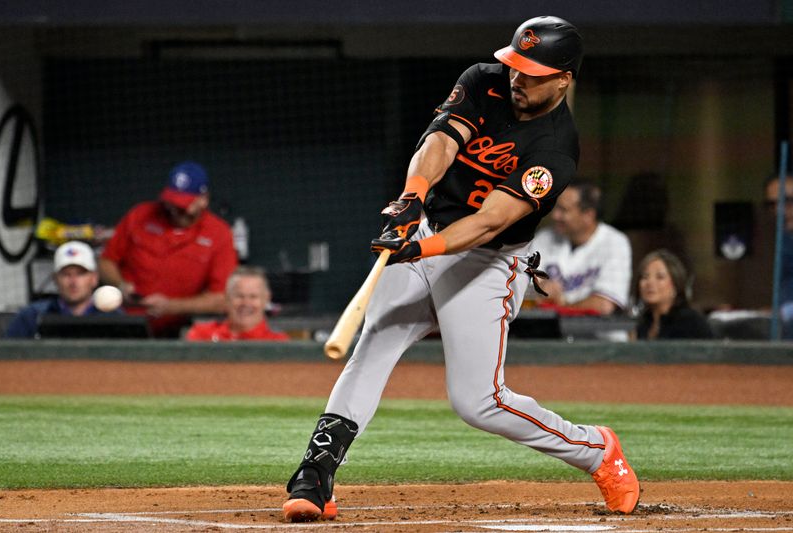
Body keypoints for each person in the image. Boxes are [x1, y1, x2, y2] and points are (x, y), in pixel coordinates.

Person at [281, 16, 639, 523]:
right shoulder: (482, 79)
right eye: (516, 65)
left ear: (564, 79)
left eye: (533, 72)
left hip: (488, 263)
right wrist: (412, 200)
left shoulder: (556, 149)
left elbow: (491, 222)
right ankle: (315, 475)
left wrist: (422, 253)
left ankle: (596, 451)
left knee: (478, 402)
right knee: (372, 348)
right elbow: (440, 143)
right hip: (428, 229)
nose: (517, 78)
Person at [99, 161, 238, 338]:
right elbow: (105, 261)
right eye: (171, 201)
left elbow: (221, 299)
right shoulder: (140, 215)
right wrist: (120, 285)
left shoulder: (219, 233)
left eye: (182, 205)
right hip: (126, 324)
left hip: (178, 332)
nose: (173, 210)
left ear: (203, 200)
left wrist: (171, 307)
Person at [527, 179, 633, 314]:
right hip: (552, 332)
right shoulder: (544, 238)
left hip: (598, 333)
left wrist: (562, 305)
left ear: (588, 215)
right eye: (556, 208)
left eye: (563, 210)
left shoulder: (615, 242)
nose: (555, 215)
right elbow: (524, 290)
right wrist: (540, 288)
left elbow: (604, 305)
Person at [5, 241, 119, 338]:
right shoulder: (32, 316)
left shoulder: (114, 317)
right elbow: (4, 355)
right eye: (66, 274)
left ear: (94, 278)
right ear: (55, 279)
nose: (73, 282)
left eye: (80, 274)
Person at [185, 266, 289, 341]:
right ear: (227, 298)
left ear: (266, 299)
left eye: (253, 297)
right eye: (239, 296)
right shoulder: (201, 335)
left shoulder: (277, 342)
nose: (246, 303)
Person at [633, 249, 713, 339]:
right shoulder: (644, 323)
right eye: (645, 277)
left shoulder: (690, 322)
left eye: (660, 277)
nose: (650, 283)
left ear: (676, 284)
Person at [764, 173, 793, 339]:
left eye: (788, 201)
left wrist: (782, 312)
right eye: (772, 204)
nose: (779, 210)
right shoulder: (781, 241)